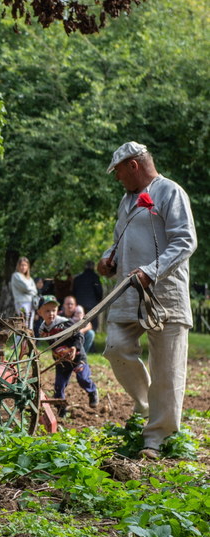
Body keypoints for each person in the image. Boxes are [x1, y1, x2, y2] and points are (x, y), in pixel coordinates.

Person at [97, 141, 197, 460]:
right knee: (114, 347)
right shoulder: (126, 201)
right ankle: (144, 404)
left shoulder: (170, 192)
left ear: (133, 166)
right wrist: (108, 258)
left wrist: (152, 271)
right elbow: (118, 241)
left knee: (167, 371)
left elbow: (185, 241)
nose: (116, 178)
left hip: (165, 295)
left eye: (118, 172)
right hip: (129, 294)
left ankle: (157, 438)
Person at [35, 295, 99, 417]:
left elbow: (79, 335)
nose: (51, 314)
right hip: (61, 360)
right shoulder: (42, 328)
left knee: (83, 378)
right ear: (40, 312)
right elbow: (39, 341)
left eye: (53, 310)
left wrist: (75, 348)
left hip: (77, 357)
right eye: (47, 311)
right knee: (59, 386)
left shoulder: (64, 324)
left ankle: (92, 391)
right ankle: (61, 410)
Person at [72, 261, 104, 330]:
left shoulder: (77, 278)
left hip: (79, 305)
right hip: (92, 306)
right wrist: (98, 301)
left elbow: (73, 292)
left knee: (79, 325)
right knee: (92, 326)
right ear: (93, 267)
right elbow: (99, 291)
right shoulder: (95, 277)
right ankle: (91, 340)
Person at [11, 256, 37, 328]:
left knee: (29, 324)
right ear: (18, 266)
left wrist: (30, 289)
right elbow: (26, 288)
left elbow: (35, 291)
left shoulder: (29, 278)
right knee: (22, 323)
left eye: (25, 265)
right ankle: (20, 339)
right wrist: (31, 289)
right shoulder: (16, 276)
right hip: (21, 302)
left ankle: (28, 339)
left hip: (31, 303)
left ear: (28, 266)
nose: (23, 267)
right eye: (21, 265)